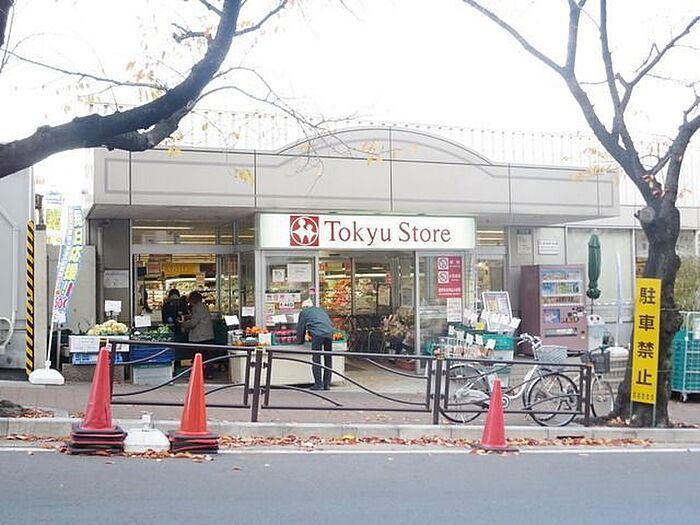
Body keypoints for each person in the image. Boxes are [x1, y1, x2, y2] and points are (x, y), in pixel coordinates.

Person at [296, 298, 334, 390]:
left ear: (304, 307)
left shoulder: (304, 312)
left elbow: (301, 328)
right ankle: (327, 384)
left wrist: (299, 341)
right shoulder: (320, 310)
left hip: (318, 334)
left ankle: (318, 384)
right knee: (328, 358)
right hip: (329, 333)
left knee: (316, 359)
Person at [181, 291, 216, 378]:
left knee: (196, 356)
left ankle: (196, 374)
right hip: (208, 335)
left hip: (199, 337)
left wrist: (184, 324)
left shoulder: (196, 308)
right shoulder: (204, 306)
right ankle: (209, 374)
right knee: (207, 357)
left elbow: (193, 323)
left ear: (192, 300)